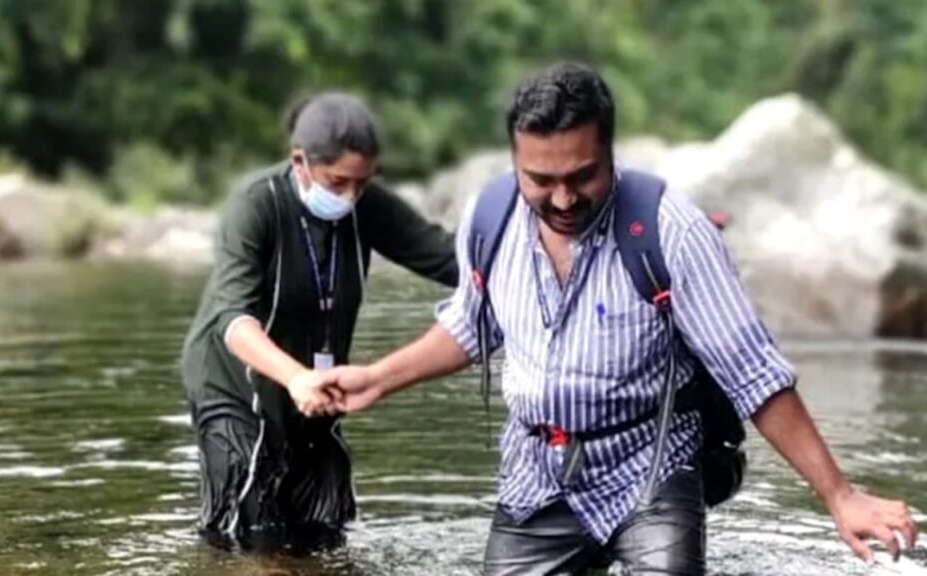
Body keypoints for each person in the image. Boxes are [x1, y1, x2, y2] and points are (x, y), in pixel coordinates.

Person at [318, 63, 919, 574]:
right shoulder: (491, 218)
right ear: (515, 160)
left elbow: (753, 374)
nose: (562, 200)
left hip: (650, 468)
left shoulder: (669, 231)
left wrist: (839, 496)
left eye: (582, 176)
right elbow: (472, 325)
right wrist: (377, 378)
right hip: (538, 472)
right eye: (541, 179)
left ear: (610, 151)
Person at [179, 91, 458, 550]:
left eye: (362, 184)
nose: (350, 196)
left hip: (317, 388)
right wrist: (294, 377)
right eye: (337, 182)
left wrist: (536, 258)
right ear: (300, 162)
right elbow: (232, 317)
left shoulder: (365, 205)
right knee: (246, 534)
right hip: (232, 384)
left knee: (325, 529)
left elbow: (447, 258)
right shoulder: (255, 206)